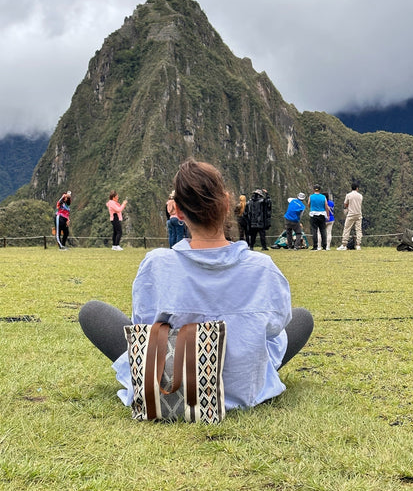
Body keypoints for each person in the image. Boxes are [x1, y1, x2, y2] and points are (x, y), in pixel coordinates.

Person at [79, 158, 314, 412]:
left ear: (178, 212)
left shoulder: (157, 264)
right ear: (227, 204)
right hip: (242, 388)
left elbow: (143, 329)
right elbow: (276, 327)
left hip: (170, 383)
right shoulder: (263, 268)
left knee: (92, 312)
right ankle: (242, 376)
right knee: (301, 319)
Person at [337, 183, 363, 251]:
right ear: (357, 188)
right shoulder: (360, 196)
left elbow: (345, 204)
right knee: (358, 229)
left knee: (347, 229)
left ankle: (344, 244)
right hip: (358, 214)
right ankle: (358, 245)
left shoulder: (348, 195)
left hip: (351, 214)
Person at [308, 184, 329, 251]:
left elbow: (309, 204)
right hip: (322, 214)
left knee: (314, 230)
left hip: (313, 214)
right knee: (323, 230)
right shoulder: (323, 197)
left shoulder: (311, 196)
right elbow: (326, 206)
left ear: (314, 189)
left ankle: (315, 246)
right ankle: (324, 246)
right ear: (320, 190)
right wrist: (328, 215)